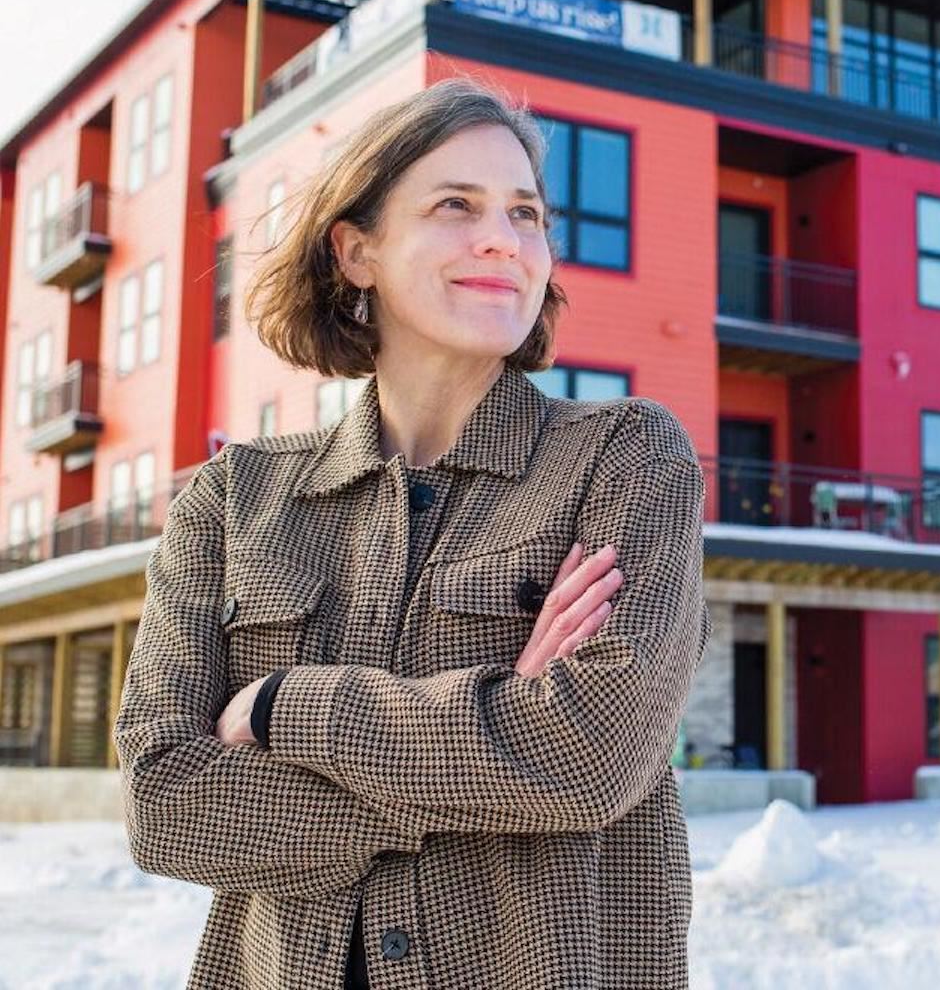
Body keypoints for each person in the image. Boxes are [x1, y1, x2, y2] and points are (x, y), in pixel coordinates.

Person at [114, 76, 712, 990]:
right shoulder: (233, 498)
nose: (502, 242)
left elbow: (592, 755)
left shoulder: (626, 459)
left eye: (526, 214)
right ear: (357, 251)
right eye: (455, 205)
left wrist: (285, 708)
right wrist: (498, 742)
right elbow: (164, 806)